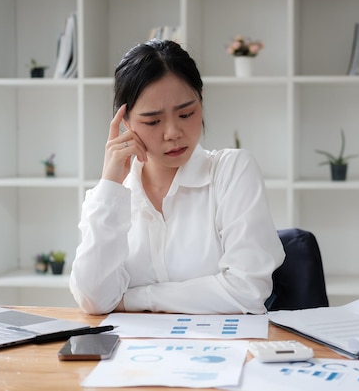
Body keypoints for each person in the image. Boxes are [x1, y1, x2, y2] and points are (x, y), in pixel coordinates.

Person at [70, 39, 285, 315]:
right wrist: (110, 185)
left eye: (186, 113)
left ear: (201, 100)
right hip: (135, 355)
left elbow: (247, 291)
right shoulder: (110, 197)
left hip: (222, 351)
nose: (172, 132)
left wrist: (133, 300)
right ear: (125, 123)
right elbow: (94, 300)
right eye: (152, 121)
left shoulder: (232, 172)